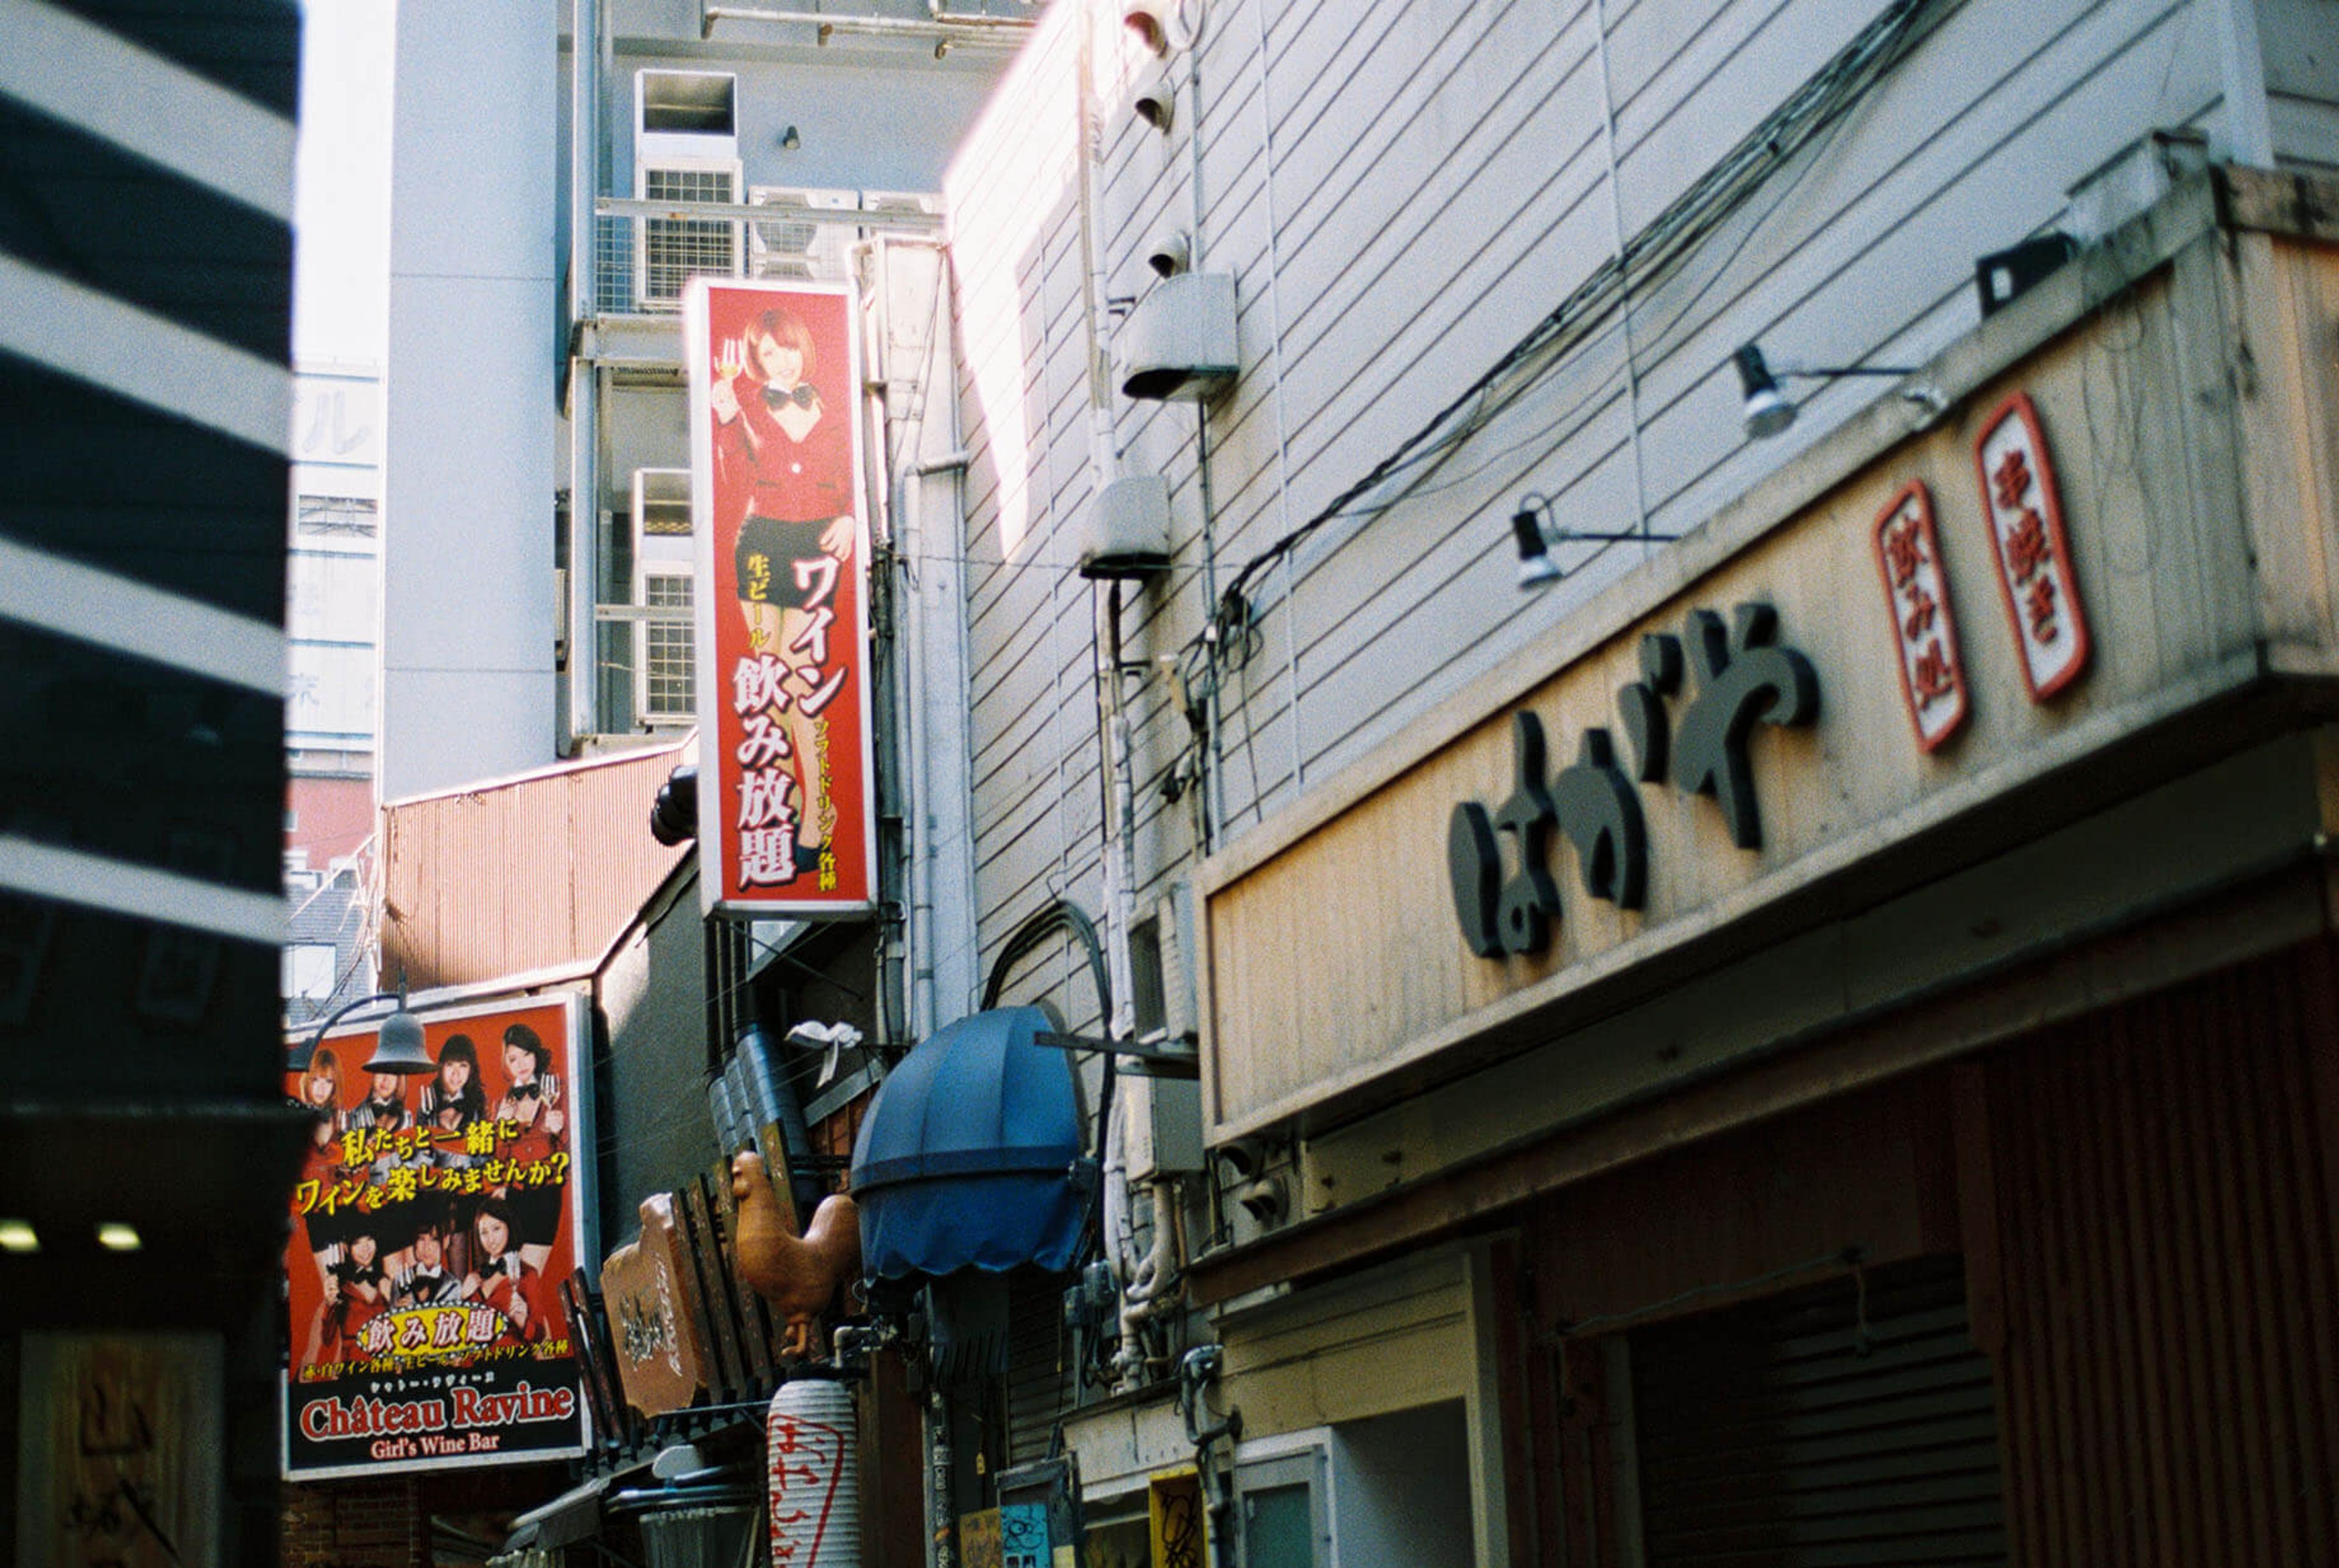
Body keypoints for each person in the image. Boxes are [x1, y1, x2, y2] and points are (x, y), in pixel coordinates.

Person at [710, 306, 855, 871]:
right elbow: (735, 481)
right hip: (762, 541)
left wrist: (849, 517)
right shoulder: (746, 405)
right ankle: (794, 804)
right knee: (770, 677)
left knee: (800, 682)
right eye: (768, 353)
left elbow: (852, 477)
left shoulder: (835, 407)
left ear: (803, 348)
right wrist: (726, 421)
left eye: (788, 347)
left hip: (816, 545)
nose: (782, 360)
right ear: (755, 360)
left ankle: (818, 814)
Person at [464, 1197, 565, 1349]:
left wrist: (524, 1322)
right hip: (480, 1360)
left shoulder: (527, 1274)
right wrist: (463, 1296)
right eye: (484, 1233)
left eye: (496, 1229)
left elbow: (540, 1336)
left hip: (514, 1358)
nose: (491, 1239)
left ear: (508, 1228)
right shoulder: (474, 1278)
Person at [418, 1033, 489, 1168]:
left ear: (471, 1070)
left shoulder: (478, 1100)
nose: (456, 1074)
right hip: (439, 1180)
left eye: (463, 1065)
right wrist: (426, 1134)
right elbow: (419, 1163)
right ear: (441, 1068)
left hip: (470, 1179)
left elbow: (484, 1157)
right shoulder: (429, 1102)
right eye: (450, 1065)